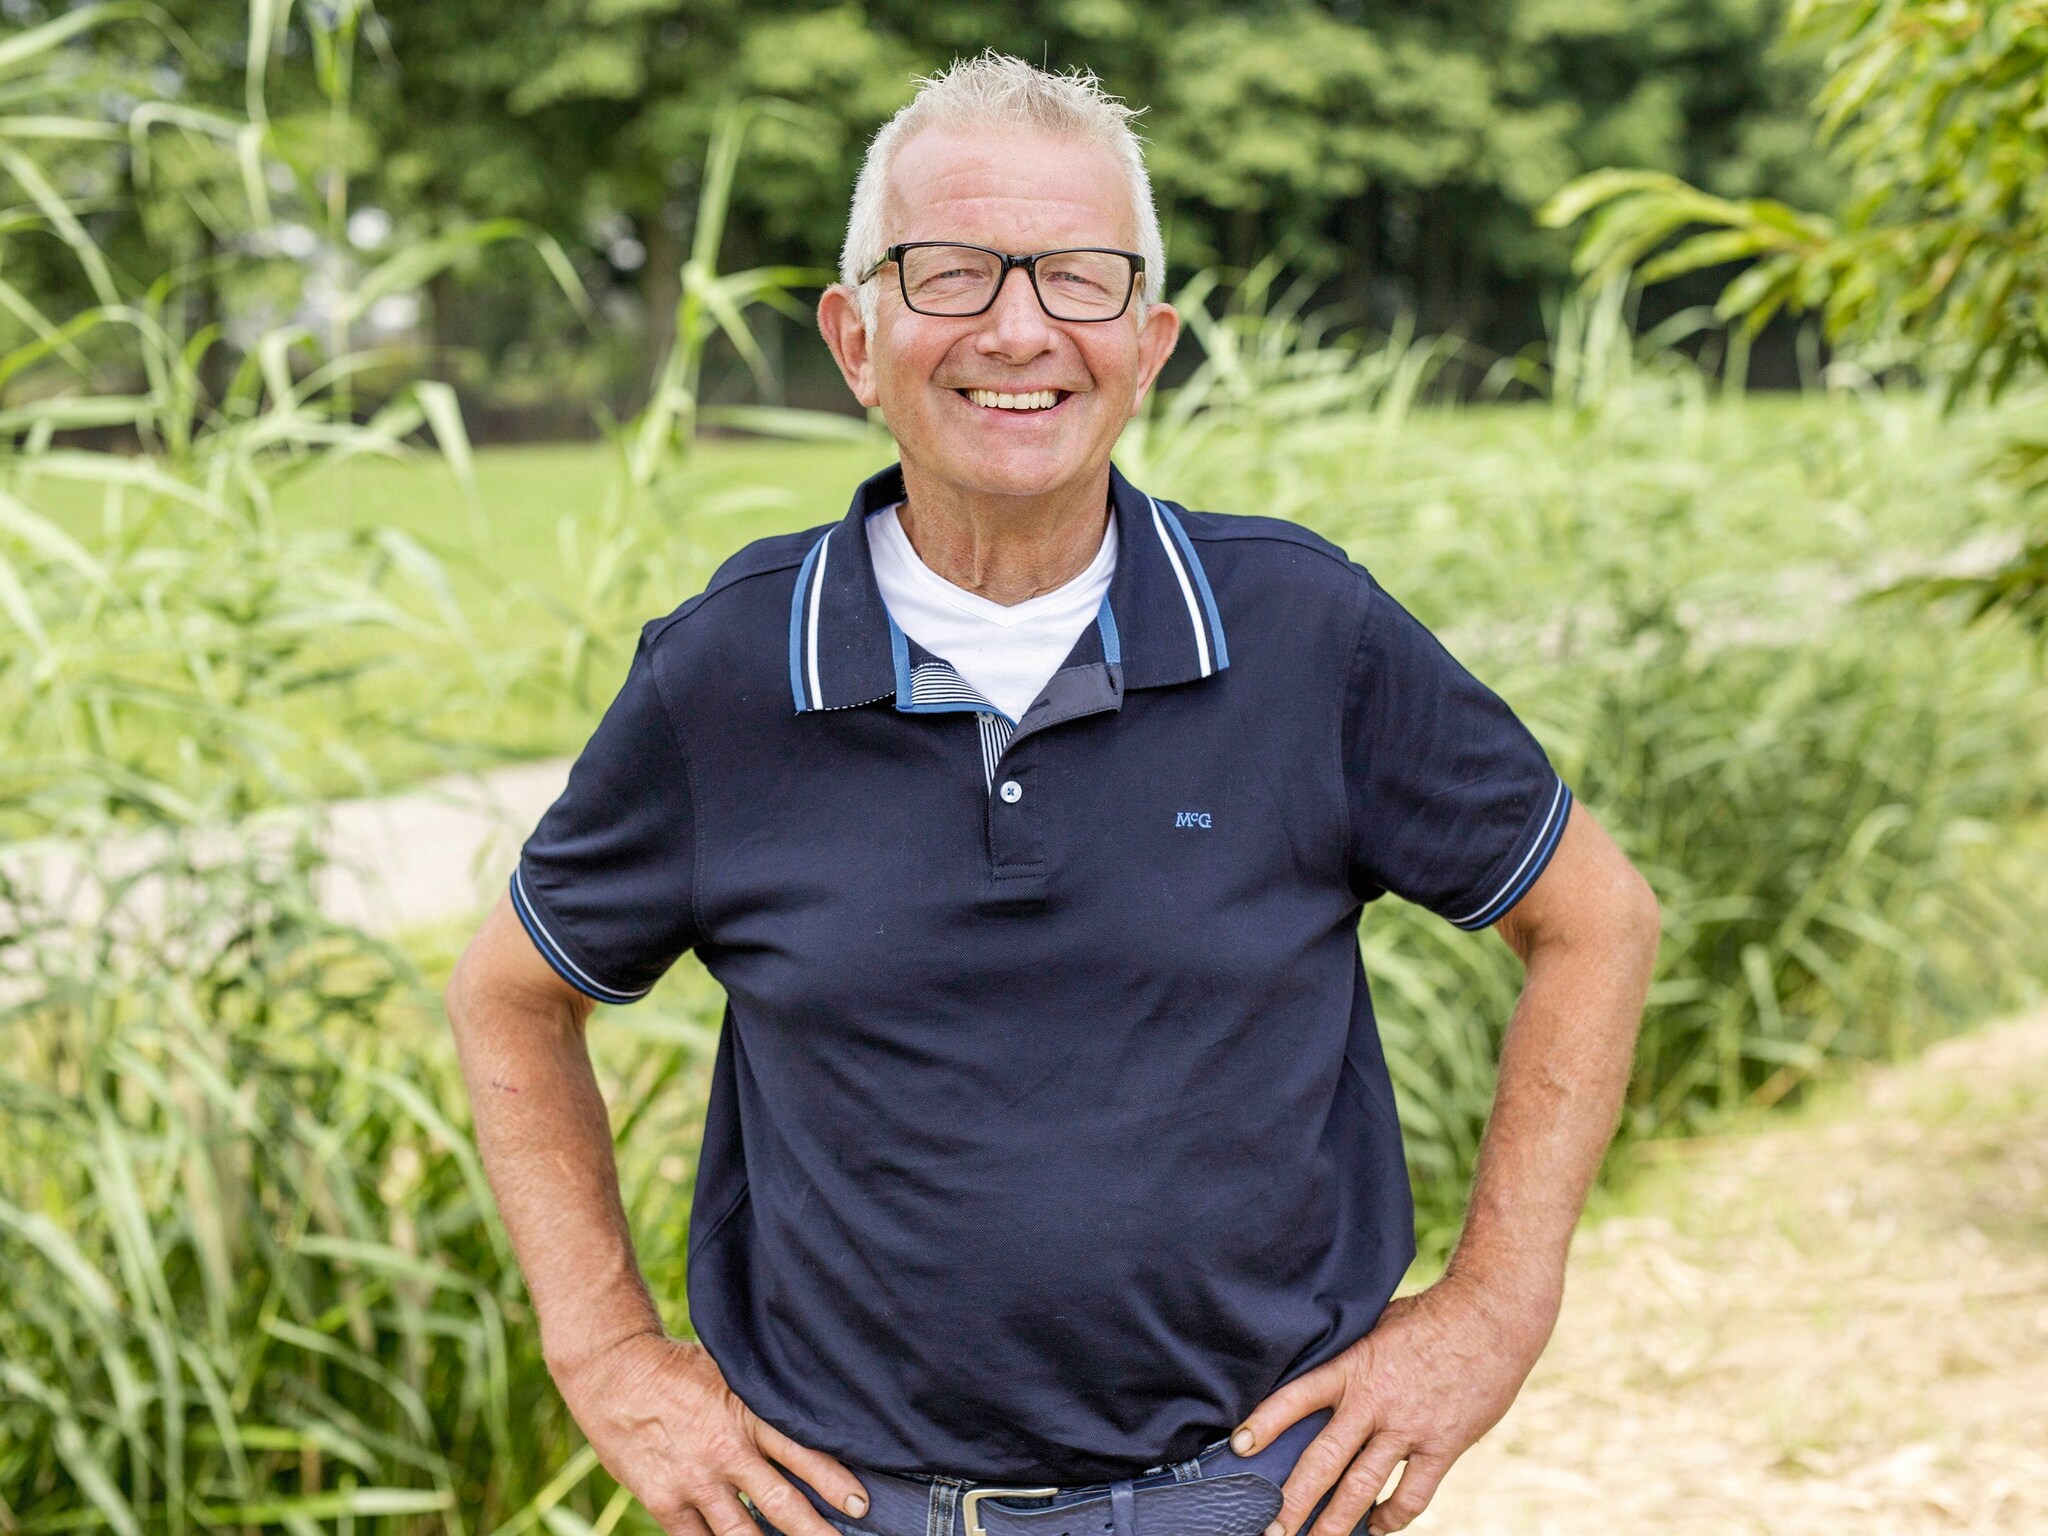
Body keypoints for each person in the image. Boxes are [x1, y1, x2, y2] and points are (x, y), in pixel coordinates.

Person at [444, 51, 1661, 1536]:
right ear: (855, 335)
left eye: (1079, 279)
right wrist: (609, 1354)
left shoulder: (1303, 631)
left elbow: (1595, 918)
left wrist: (1493, 1310)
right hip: (840, 1508)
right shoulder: (727, 677)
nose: (1019, 329)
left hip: (1259, 1498)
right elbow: (510, 994)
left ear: (1147, 344)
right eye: (950, 271)